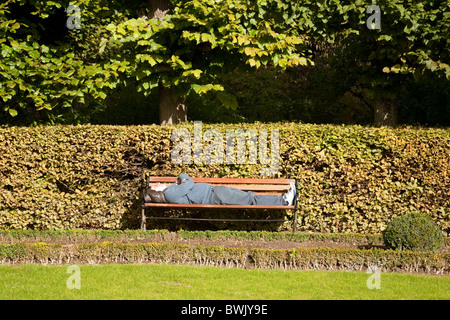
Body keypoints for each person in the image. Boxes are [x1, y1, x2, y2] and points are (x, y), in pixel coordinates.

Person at [145, 173, 296, 206]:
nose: (158, 182)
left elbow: (187, 184)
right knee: (250, 199)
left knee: (250, 198)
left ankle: (283, 200)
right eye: (155, 185)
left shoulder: (171, 190)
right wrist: (182, 177)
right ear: (156, 192)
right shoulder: (170, 193)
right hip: (215, 196)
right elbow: (189, 182)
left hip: (215, 193)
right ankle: (284, 201)